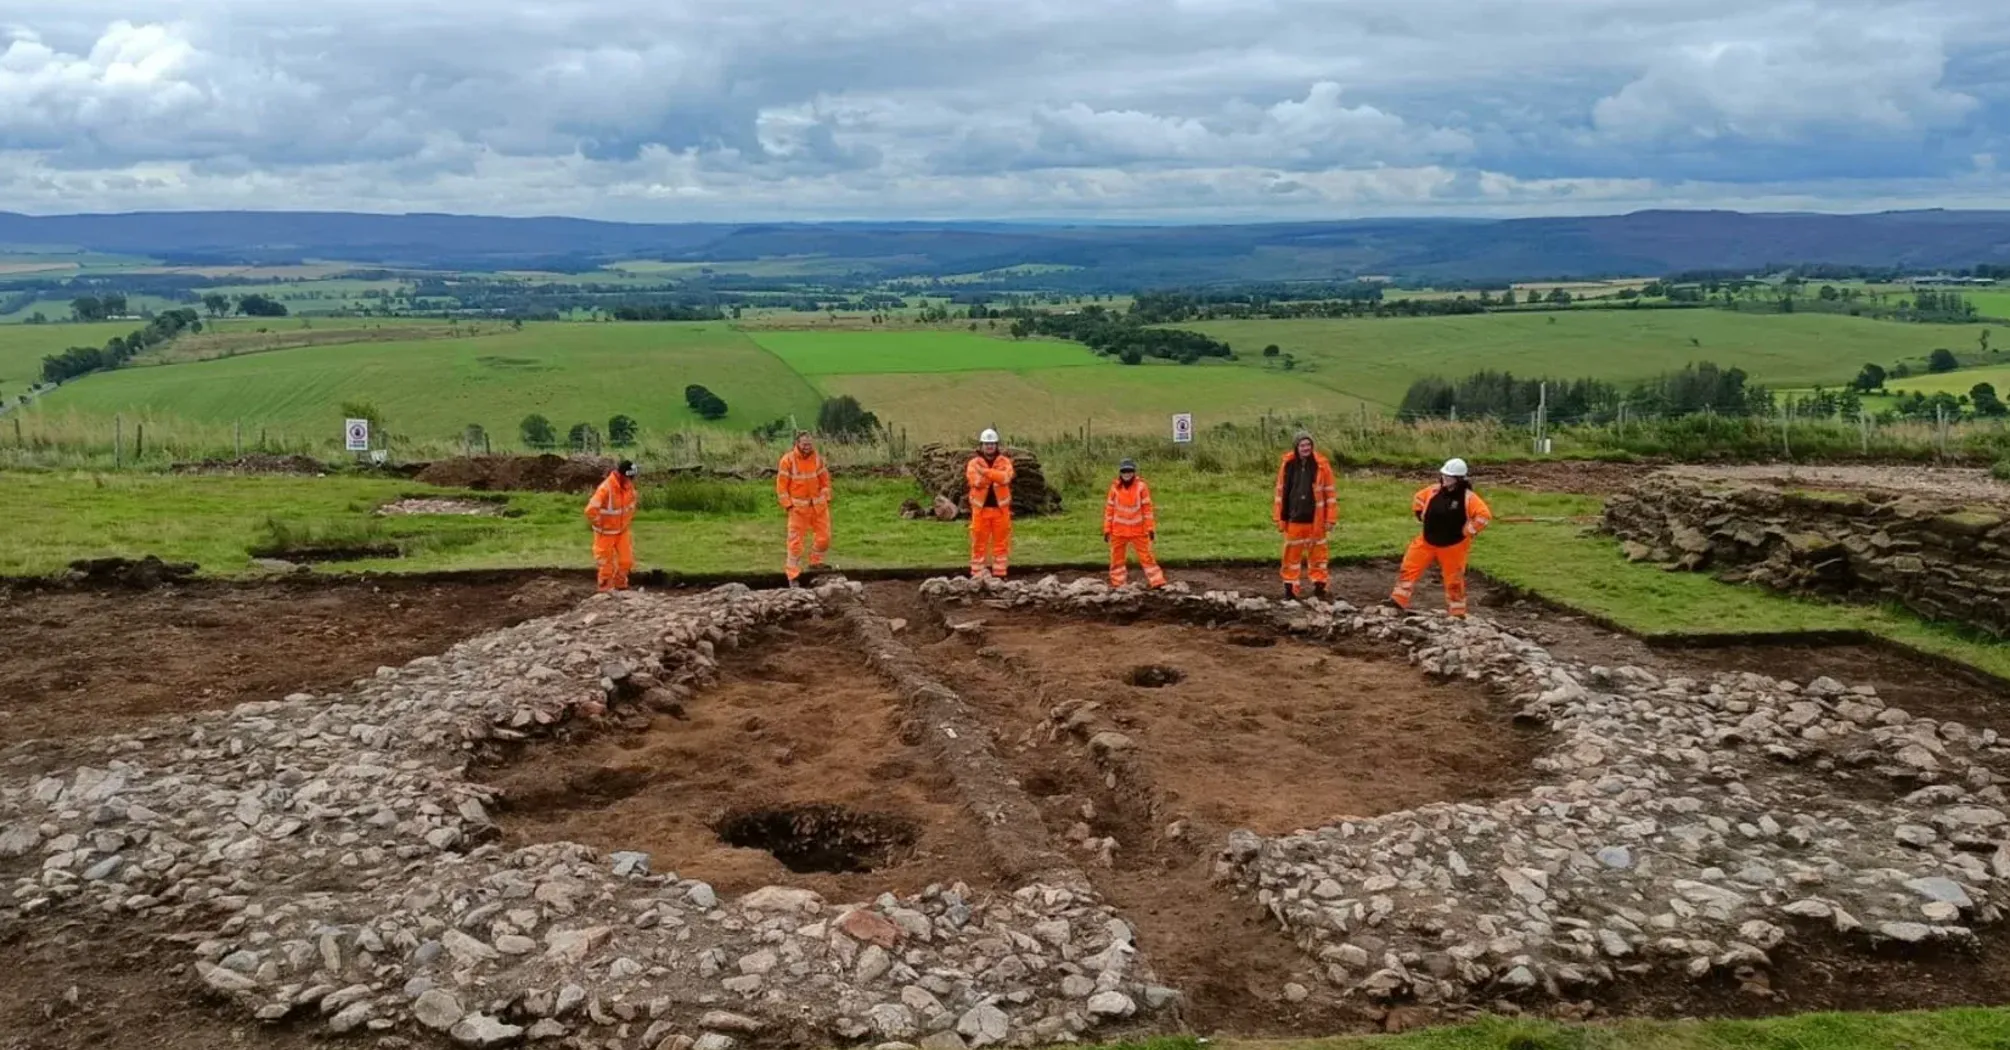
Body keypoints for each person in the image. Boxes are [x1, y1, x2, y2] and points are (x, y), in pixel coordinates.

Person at [1390, 458, 1493, 618]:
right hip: (1426, 541)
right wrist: (1419, 512)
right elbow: (1418, 498)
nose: (1445, 479)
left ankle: (1457, 612)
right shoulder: (1433, 491)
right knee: (1409, 569)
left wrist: (1468, 531)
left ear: (1459, 480)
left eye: (1449, 477)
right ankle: (1397, 600)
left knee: (1454, 581)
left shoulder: (1468, 498)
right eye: (1444, 475)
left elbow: (1483, 516)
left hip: (1453, 546)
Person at [1272, 430, 1337, 600]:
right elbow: (1281, 492)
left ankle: (1320, 586)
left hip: (1316, 519)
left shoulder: (1321, 465)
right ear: (1296, 447)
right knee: (1291, 555)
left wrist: (1330, 518)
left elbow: (1330, 494)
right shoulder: (1288, 464)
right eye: (1302, 445)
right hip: (1294, 517)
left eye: (1308, 445)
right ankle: (1290, 587)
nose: (1306, 448)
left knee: (1318, 554)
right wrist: (1280, 517)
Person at [776, 430, 832, 587]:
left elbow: (825, 480)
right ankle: (792, 576)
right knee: (795, 544)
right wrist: (788, 505)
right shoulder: (787, 460)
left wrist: (825, 497)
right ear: (797, 444)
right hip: (798, 509)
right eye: (804, 444)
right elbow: (781, 486)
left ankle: (816, 564)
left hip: (819, 507)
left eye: (809, 444)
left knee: (824, 539)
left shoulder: (817, 459)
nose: (807, 447)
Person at [1103, 458, 1167, 589]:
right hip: (1118, 531)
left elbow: (1147, 509)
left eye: (1129, 471)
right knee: (1116, 559)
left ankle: (1157, 582)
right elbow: (1109, 510)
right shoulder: (1114, 488)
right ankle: (1118, 584)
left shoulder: (1141, 487)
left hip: (1138, 530)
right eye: (1124, 471)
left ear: (1134, 472)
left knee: (1147, 557)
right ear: (1120, 473)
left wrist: (1150, 528)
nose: (1127, 474)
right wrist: (1107, 530)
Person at [965, 428, 1015, 580]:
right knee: (978, 543)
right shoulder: (973, 463)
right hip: (981, 511)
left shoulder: (1005, 462)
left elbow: (1005, 478)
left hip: (1001, 510)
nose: (989, 447)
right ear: (981, 445)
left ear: (996, 445)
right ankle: (977, 574)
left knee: (1001, 543)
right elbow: (976, 482)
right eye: (986, 444)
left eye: (992, 444)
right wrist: (995, 476)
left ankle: (1000, 575)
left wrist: (986, 472)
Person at [585, 459, 640, 592]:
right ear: (621, 475)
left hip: (622, 531)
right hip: (605, 534)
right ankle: (605, 591)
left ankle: (621, 587)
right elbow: (590, 510)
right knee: (605, 565)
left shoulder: (629, 487)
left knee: (626, 561)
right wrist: (601, 524)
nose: (630, 481)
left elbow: (630, 507)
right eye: (628, 478)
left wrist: (626, 522)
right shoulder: (605, 489)